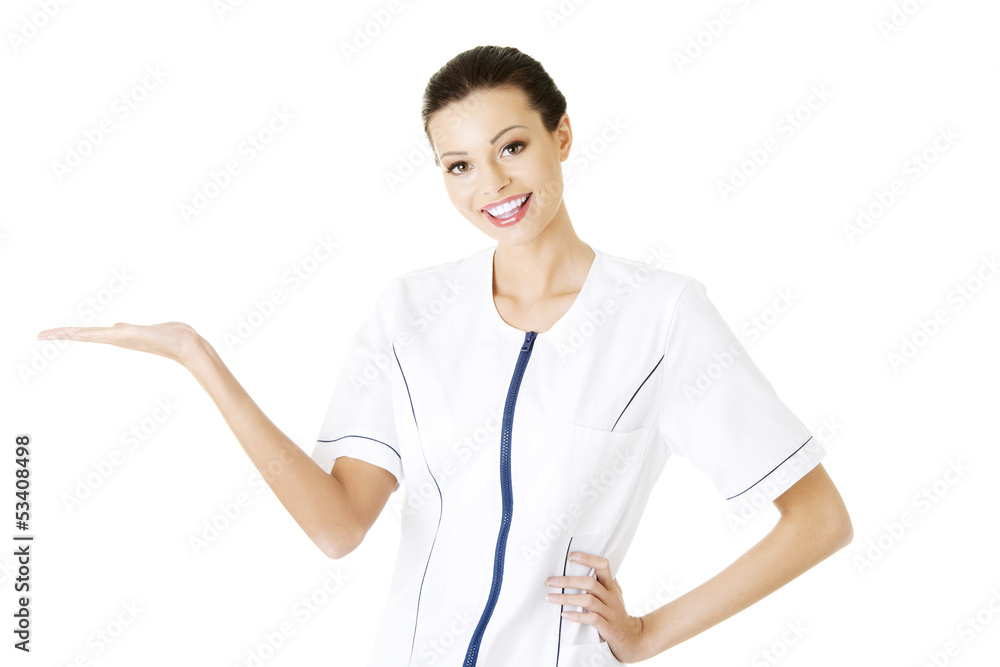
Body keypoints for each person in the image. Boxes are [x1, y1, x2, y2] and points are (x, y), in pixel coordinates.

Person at [37, 45, 852, 666]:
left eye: (512, 147)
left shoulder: (660, 316)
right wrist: (197, 356)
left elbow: (819, 518)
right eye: (458, 165)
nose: (489, 183)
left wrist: (646, 634)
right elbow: (337, 526)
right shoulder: (412, 311)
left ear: (562, 136)